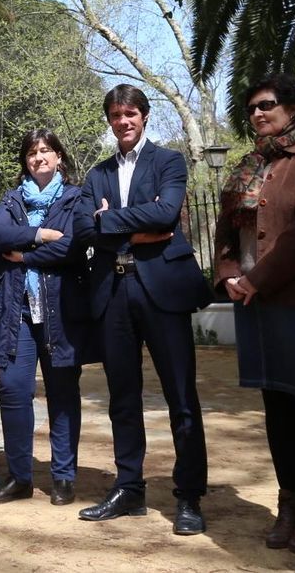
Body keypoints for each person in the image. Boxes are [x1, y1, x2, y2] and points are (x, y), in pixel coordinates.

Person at [211, 74, 295, 552]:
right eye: (250, 109)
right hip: (253, 302)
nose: (257, 115)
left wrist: (257, 278)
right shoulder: (248, 165)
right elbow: (226, 229)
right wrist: (229, 274)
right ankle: (288, 501)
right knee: (277, 407)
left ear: (291, 107)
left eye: (266, 105)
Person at [75, 84, 214, 535]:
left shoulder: (168, 160)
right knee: (123, 397)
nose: (123, 121)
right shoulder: (96, 174)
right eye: (115, 115)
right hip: (113, 290)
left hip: (162, 290)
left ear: (145, 116)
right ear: (109, 121)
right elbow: (82, 228)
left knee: (181, 397)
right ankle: (129, 487)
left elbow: (167, 214)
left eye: (130, 113)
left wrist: (109, 219)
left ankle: (189, 495)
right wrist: (134, 223)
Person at [0, 129, 93, 507]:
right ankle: (20, 477)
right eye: (32, 152)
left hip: (61, 312)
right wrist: (42, 233)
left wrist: (27, 253)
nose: (39, 157)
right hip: (16, 312)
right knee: (13, 391)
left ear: (59, 157)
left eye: (46, 150)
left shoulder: (75, 197)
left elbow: (74, 245)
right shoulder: (12, 198)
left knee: (63, 393)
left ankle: (64, 476)